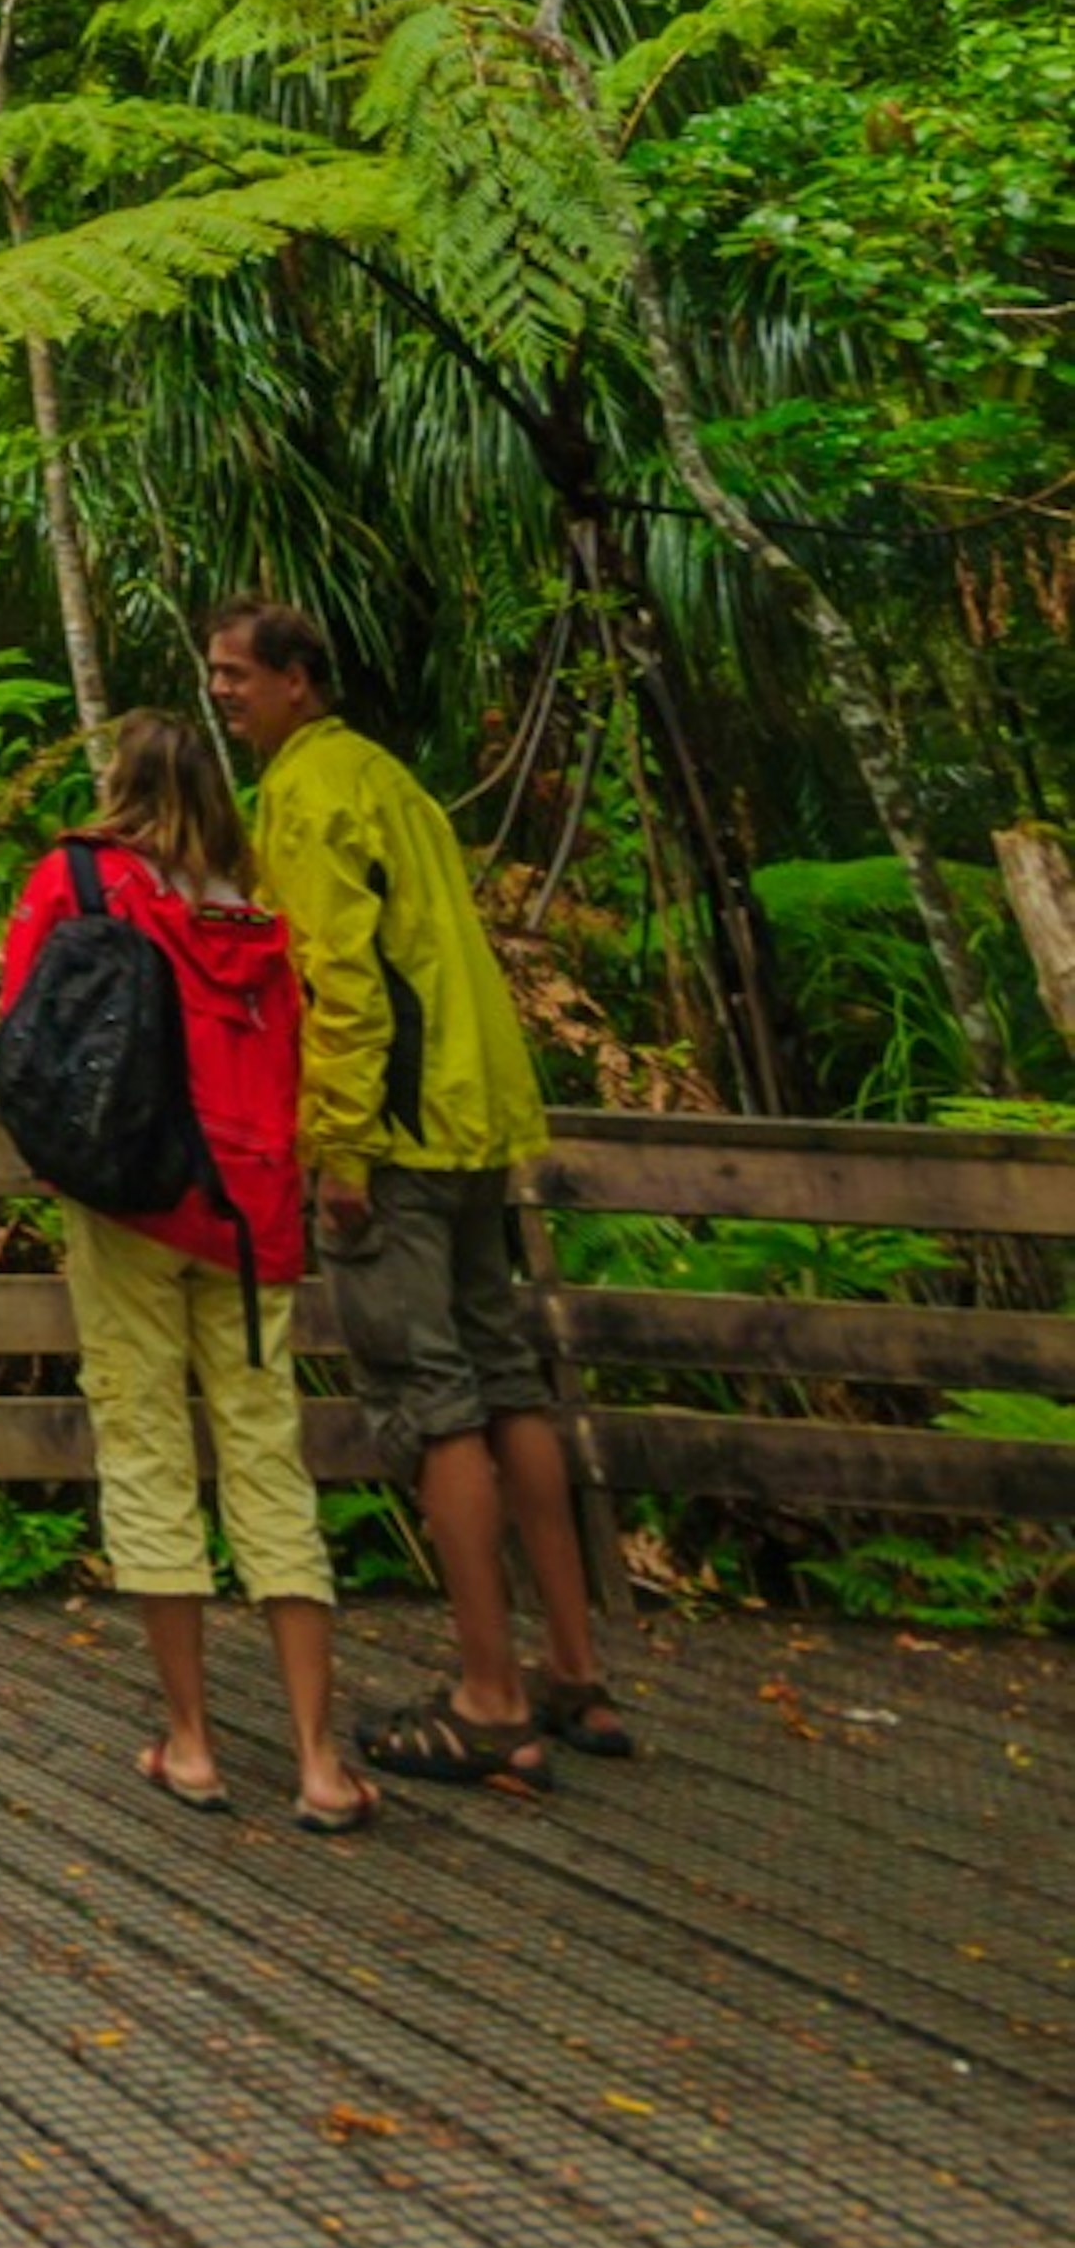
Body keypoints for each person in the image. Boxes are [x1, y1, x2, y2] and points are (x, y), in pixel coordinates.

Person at [203, 588, 641, 1790]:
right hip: (472, 1118)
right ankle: (574, 1671)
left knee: (431, 1398)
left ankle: (490, 1698)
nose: (224, 691)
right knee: (507, 1380)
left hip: (388, 1137)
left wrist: (337, 1143)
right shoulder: (393, 779)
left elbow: (336, 973)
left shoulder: (304, 791)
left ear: (301, 679)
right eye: (216, 674)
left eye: (239, 672)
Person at [0, 706, 377, 1833]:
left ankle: (196, 1744)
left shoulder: (78, 880)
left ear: (120, 781)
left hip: (132, 1203)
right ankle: (317, 1760)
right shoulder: (262, 909)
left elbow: (24, 1032)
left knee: (148, 1453)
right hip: (252, 1211)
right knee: (270, 1461)